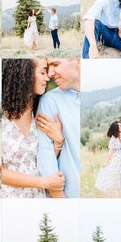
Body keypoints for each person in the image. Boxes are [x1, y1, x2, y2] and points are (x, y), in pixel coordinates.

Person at [2, 59, 65, 198]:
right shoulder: (1, 118)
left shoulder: (40, 113)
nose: (48, 77)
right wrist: (44, 182)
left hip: (39, 197)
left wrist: (58, 141)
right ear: (24, 74)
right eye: (42, 72)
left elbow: (42, 160)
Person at [36, 58, 80, 198]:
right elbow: (45, 153)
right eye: (47, 68)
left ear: (78, 61)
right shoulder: (50, 100)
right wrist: (59, 198)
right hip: (69, 195)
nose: (50, 74)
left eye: (55, 64)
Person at [95, 121, 121, 192]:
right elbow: (110, 152)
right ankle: (114, 191)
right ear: (116, 128)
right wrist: (106, 162)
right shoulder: (113, 139)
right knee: (115, 175)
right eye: (120, 126)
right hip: (117, 159)